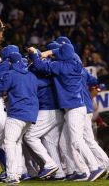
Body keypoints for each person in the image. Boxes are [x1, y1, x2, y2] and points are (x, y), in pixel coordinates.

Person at [28, 43, 105, 181]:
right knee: (65, 143)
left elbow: (40, 66)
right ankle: (81, 171)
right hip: (77, 107)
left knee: (76, 141)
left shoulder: (61, 67)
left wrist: (35, 53)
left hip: (74, 109)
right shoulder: (76, 63)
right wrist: (48, 52)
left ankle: (95, 167)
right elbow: (62, 52)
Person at [0, 52, 39, 184]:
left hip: (17, 113)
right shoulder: (31, 75)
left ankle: (12, 175)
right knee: (17, 142)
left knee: (9, 143)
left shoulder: (11, 74)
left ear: (10, 63)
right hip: (31, 114)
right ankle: (18, 171)